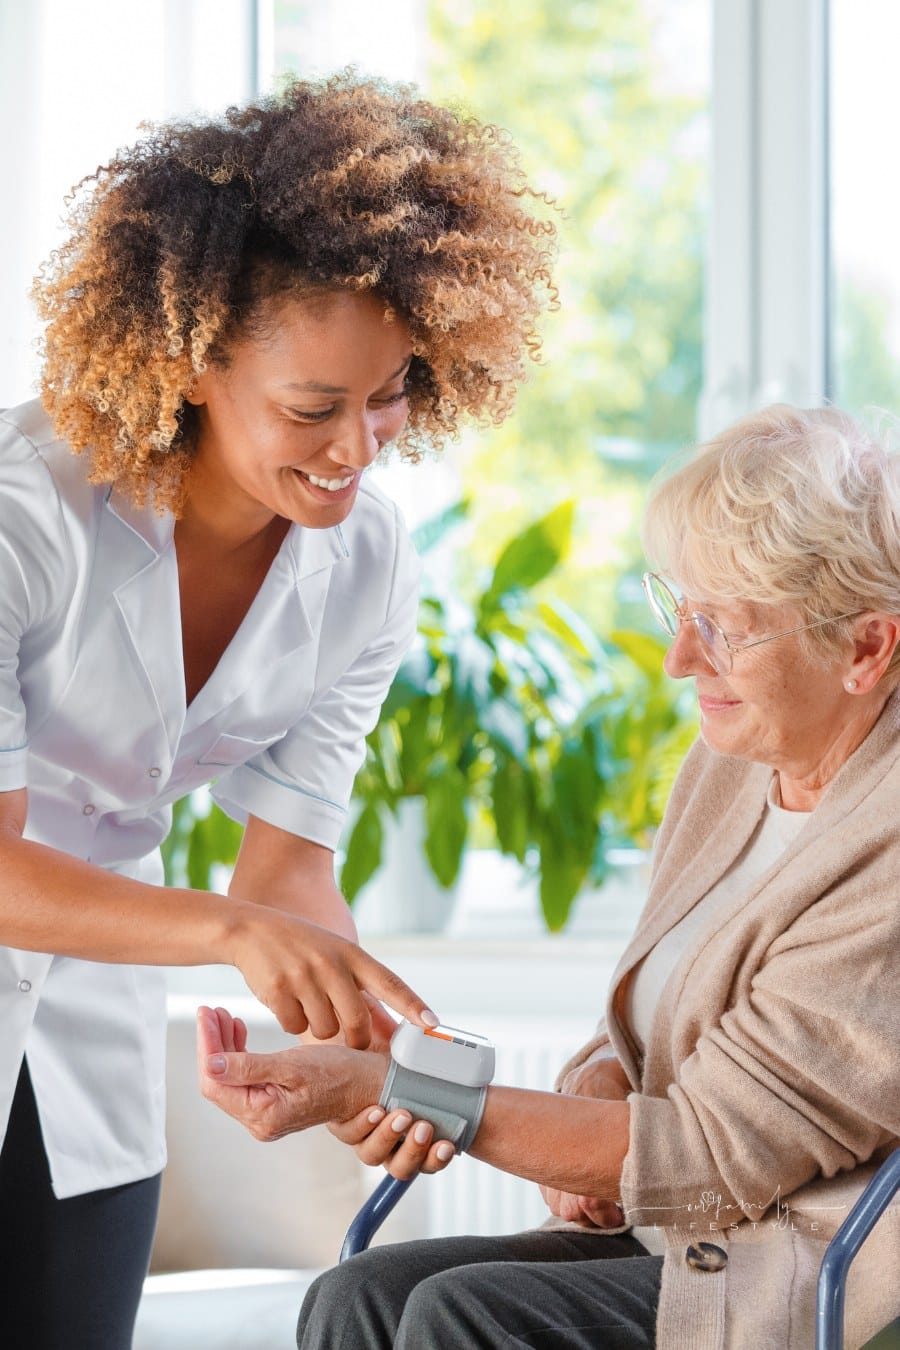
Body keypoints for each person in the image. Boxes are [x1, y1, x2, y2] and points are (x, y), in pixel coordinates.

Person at [0, 72, 556, 1349]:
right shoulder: (24, 518)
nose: (358, 448)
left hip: (86, 1044)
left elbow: (290, 867)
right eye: (313, 407)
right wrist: (234, 933)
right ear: (194, 362)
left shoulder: (368, 561)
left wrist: (358, 1046)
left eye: (391, 392)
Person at [199, 404, 900, 1350]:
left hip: (791, 1272)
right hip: (675, 1236)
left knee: (458, 1317)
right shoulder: (731, 769)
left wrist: (404, 1089)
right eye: (681, 610)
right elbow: (655, 1026)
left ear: (865, 648)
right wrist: (598, 1086)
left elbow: (711, 1154)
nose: (680, 658)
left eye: (726, 629)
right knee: (358, 1296)